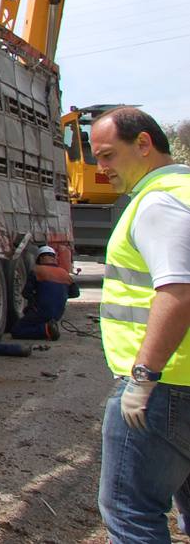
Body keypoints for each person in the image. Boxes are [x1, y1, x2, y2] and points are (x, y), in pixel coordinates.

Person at [92, 106, 190, 543]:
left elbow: (179, 292)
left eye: (109, 155)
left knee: (130, 513)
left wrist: (143, 378)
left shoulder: (157, 203)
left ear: (144, 145)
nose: (101, 168)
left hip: (165, 388)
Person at [11, 245, 81, 340]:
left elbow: (26, 293)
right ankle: (48, 328)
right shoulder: (64, 273)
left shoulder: (37, 270)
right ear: (54, 258)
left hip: (41, 312)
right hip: (57, 314)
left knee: (17, 330)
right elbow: (75, 293)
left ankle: (46, 330)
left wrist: (33, 303)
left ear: (40, 258)